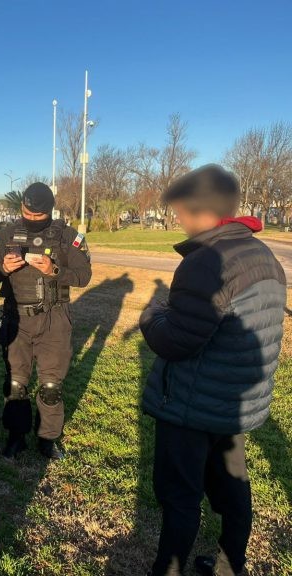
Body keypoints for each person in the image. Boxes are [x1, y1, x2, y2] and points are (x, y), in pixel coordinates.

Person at [140, 165, 286, 576]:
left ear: (202, 211)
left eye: (182, 210)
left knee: (180, 498)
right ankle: (229, 565)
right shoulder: (265, 256)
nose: (178, 220)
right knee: (232, 487)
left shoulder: (207, 263)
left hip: (191, 406)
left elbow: (175, 340)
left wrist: (153, 312)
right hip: (232, 405)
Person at [0, 183, 92, 460]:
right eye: (27, 214)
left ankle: (47, 438)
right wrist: (3, 268)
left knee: (51, 386)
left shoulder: (69, 237)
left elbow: (84, 275)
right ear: (21, 207)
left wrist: (55, 270)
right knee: (16, 384)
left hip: (54, 319)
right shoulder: (5, 235)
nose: (31, 220)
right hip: (17, 319)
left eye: (38, 217)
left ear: (49, 211)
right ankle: (16, 436)